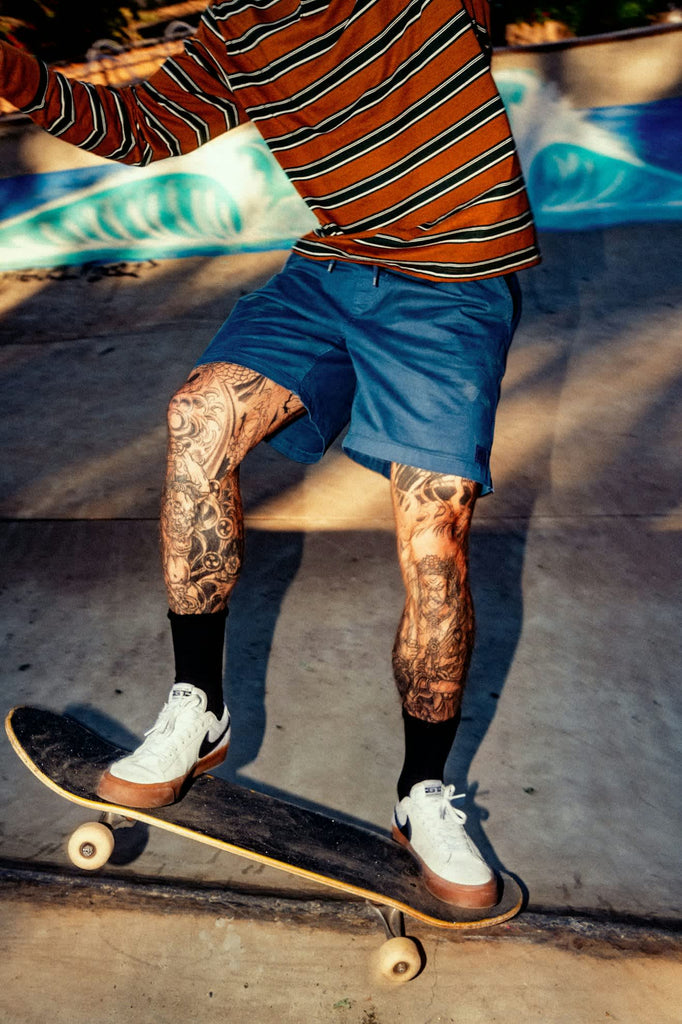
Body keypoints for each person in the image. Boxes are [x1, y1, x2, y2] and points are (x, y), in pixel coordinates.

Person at [0, 0, 539, 910]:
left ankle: (422, 794)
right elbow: (141, 127)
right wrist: (13, 68)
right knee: (200, 416)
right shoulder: (236, 25)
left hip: (451, 286)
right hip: (331, 270)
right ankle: (200, 708)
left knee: (432, 538)